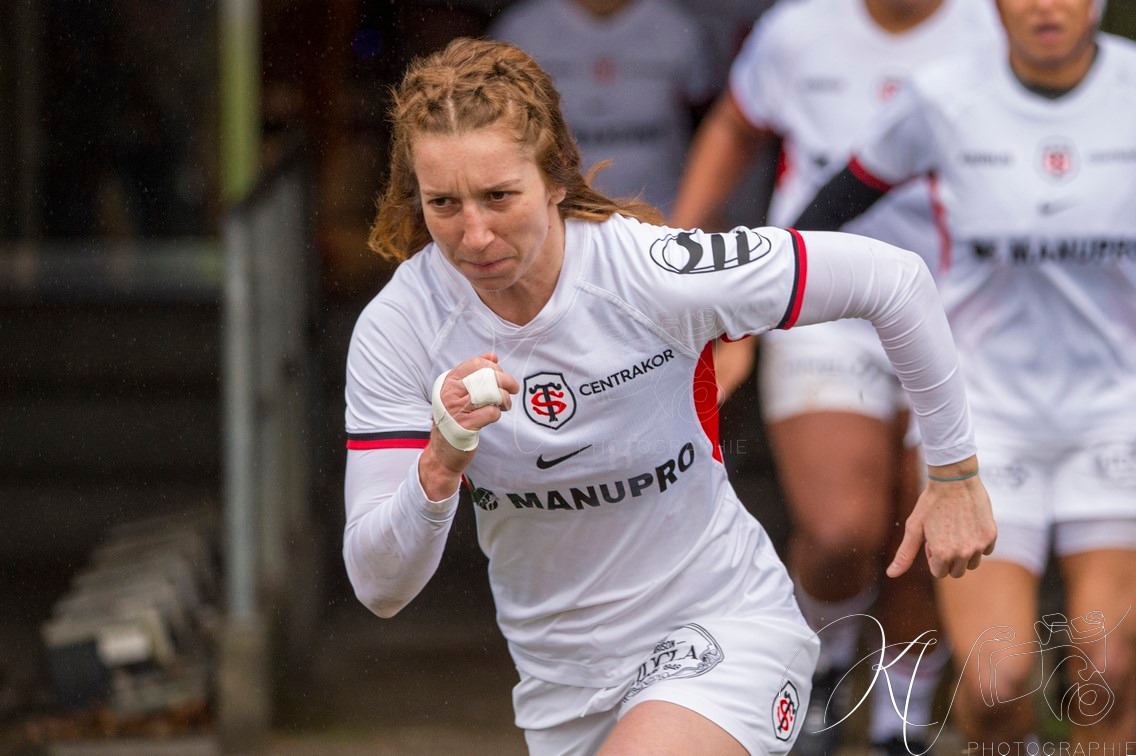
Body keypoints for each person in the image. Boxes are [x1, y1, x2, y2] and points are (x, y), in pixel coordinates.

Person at [342, 38, 995, 755]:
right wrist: (438, 464)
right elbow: (380, 585)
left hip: (724, 632)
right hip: (563, 689)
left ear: (557, 175)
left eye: (500, 196)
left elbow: (893, 281)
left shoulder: (652, 272)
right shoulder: (399, 328)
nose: (475, 234)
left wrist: (954, 468)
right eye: (443, 204)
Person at [791, 0, 1136, 746]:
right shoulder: (943, 95)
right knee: (993, 682)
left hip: (1114, 413)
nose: (1047, 6)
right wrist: (739, 298)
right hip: (987, 422)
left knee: (1106, 669)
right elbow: (833, 204)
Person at [670, 0, 1001, 752]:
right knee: (843, 530)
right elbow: (733, 123)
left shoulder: (994, 24)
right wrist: (680, 261)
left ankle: (899, 718)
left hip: (963, 311)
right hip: (819, 302)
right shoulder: (798, 27)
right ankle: (816, 668)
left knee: (933, 526)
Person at [488, 0, 716, 214]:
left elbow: (710, 125)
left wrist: (697, 214)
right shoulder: (521, 28)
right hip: (555, 220)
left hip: (664, 218)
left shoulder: (677, 28)